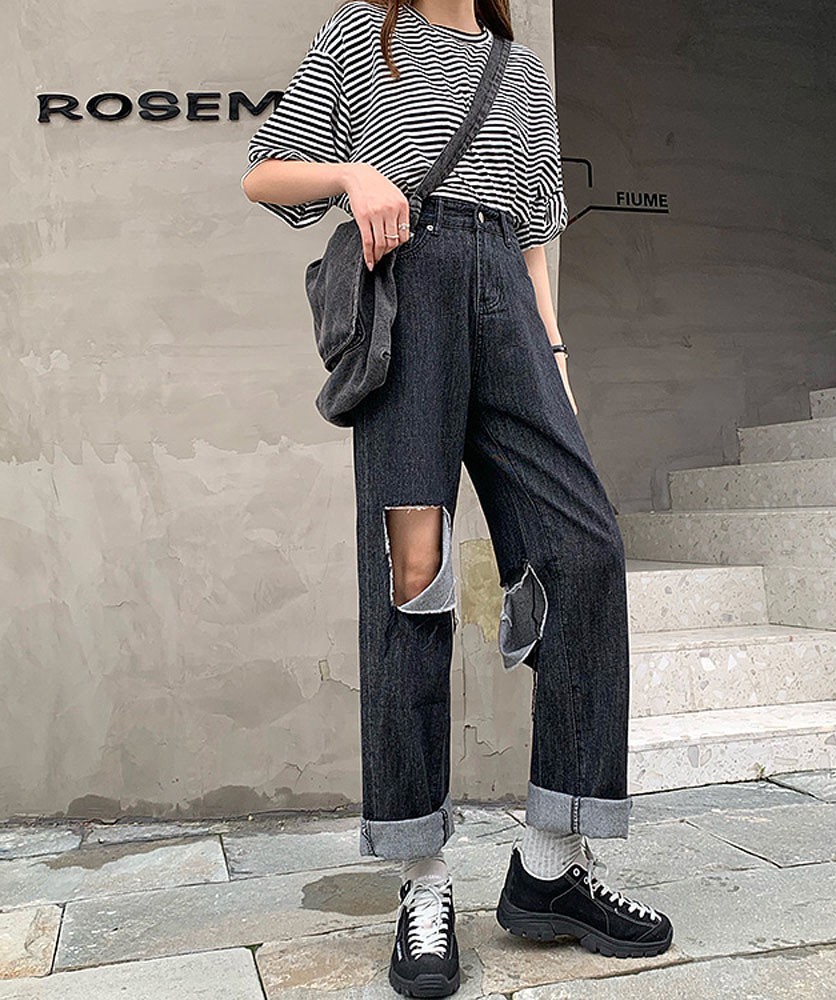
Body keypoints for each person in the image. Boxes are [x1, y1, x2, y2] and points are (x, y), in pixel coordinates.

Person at [241, 1, 673, 995]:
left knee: (585, 552)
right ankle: (422, 880)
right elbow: (265, 171)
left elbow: (535, 233)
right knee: (415, 583)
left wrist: (554, 356)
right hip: (411, 310)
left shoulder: (519, 69)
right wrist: (351, 175)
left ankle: (551, 868)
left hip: (510, 312)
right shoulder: (362, 36)